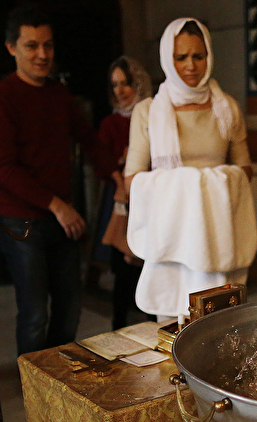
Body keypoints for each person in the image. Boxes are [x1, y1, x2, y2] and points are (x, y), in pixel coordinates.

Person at [0, 3, 118, 355]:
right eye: (32, 46)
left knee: (70, 308)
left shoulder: (57, 94)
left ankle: (55, 378)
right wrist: (57, 205)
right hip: (21, 222)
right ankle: (31, 385)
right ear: (11, 47)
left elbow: (87, 138)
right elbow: (3, 169)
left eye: (48, 45)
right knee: (34, 314)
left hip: (60, 217)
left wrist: (117, 174)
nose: (42, 55)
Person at [123, 18, 257, 320]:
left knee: (220, 327)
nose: (191, 65)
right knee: (172, 330)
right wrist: (192, 184)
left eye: (199, 56)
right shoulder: (148, 111)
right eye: (180, 57)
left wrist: (210, 183)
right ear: (166, 59)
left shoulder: (227, 108)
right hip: (171, 240)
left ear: (209, 56)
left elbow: (245, 169)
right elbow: (132, 180)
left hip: (218, 238)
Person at [97, 56, 152, 330]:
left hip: (151, 200)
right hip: (123, 201)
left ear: (138, 83)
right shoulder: (110, 124)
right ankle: (118, 327)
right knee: (122, 268)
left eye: (125, 83)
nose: (120, 90)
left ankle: (155, 326)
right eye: (115, 85)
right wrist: (121, 169)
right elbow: (101, 162)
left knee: (150, 265)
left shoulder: (154, 115)